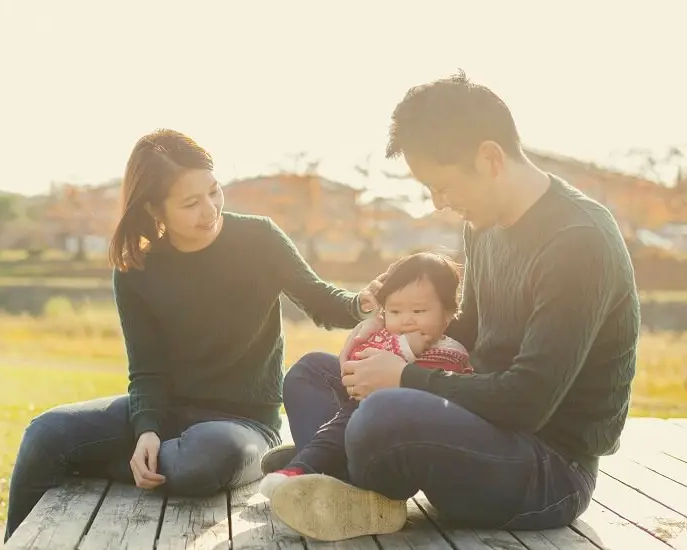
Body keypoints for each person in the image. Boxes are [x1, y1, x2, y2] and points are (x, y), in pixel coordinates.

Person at [263, 71, 640, 542]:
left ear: (489, 158)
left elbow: (528, 402)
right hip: (477, 418)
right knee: (311, 373)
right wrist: (388, 335)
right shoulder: (483, 227)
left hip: (548, 468)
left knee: (386, 413)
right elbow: (465, 334)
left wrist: (403, 377)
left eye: (443, 186)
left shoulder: (577, 242)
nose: (439, 204)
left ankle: (336, 464)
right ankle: (335, 468)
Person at [2, 129, 378, 541]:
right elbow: (146, 368)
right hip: (168, 413)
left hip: (243, 425)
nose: (210, 210)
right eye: (190, 203)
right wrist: (146, 429)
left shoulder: (258, 238)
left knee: (205, 457)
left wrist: (361, 303)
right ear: (154, 208)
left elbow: (319, 299)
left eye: (214, 192)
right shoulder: (137, 269)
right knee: (45, 433)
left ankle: (133, 461)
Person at [259, 251, 471, 510]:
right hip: (358, 428)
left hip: (394, 455)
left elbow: (433, 401)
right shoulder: (386, 336)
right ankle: (322, 469)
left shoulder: (451, 354)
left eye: (419, 310)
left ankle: (305, 466)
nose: (406, 320)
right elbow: (352, 365)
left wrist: (403, 353)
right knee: (309, 368)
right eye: (395, 311)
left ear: (449, 313)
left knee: (367, 408)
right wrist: (374, 325)